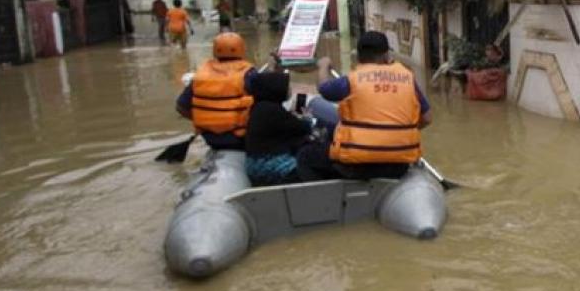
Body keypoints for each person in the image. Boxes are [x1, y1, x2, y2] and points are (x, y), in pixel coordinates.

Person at [296, 31, 431, 182]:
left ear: (359, 57)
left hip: (358, 164)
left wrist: (323, 66)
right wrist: (397, 132)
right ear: (387, 55)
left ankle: (326, 202)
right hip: (399, 164)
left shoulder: (352, 80)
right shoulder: (407, 78)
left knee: (305, 156)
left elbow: (324, 88)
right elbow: (426, 118)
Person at [176, 32, 263, 151]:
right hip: (240, 136)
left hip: (209, 137)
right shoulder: (249, 73)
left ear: (215, 50)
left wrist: (203, 119)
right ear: (242, 49)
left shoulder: (201, 74)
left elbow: (181, 107)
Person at [244, 71, 314, 185]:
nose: (290, 90)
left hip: (258, 164)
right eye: (287, 87)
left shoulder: (259, 107)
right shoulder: (272, 110)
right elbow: (303, 128)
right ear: (276, 89)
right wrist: (307, 118)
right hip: (272, 167)